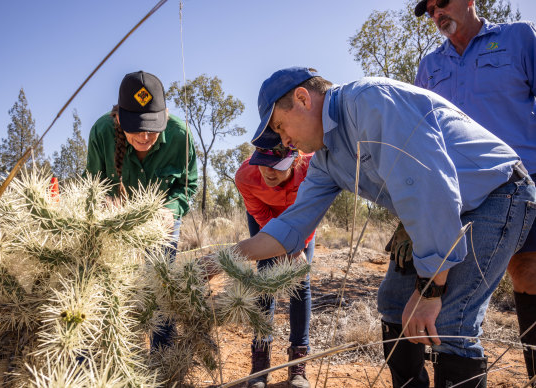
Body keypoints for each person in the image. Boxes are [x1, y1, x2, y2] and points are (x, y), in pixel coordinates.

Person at [218, 67, 535, 388]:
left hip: (496, 192)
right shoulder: (326, 159)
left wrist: (431, 289)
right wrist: (225, 258)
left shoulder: (369, 102)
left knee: (450, 322)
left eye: (280, 126)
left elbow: (430, 190)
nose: (284, 141)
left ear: (302, 99)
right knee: (395, 306)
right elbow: (291, 226)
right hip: (443, 209)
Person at [413, 0, 536, 383]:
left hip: (520, 183)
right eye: (429, 9)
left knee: (528, 273)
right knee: (453, 296)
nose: (436, 13)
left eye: (442, 3)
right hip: (455, 194)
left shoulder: (517, 39)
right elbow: (419, 130)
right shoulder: (430, 66)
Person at [85, 71, 198, 350]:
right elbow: (92, 186)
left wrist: (171, 210)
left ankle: (164, 357)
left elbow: (187, 185)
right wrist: (103, 206)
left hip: (162, 222)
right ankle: (116, 352)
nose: (145, 136)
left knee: (162, 287)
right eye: (136, 128)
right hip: (115, 224)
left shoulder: (180, 135)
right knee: (113, 289)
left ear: (165, 113)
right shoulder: (101, 132)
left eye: (152, 126)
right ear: (120, 118)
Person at [235, 145, 315, 388]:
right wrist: (281, 245)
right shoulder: (246, 175)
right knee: (265, 279)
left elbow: (314, 210)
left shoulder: (314, 167)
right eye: (262, 163)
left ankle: (297, 364)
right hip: (265, 217)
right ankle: (260, 363)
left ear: (295, 161)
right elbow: (261, 215)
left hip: (301, 220)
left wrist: (297, 247)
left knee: (300, 282)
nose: (268, 172)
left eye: (277, 166)